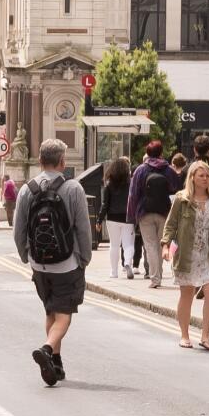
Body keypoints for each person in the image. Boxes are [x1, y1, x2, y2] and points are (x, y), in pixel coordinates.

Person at [13, 139, 92, 387]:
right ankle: (47, 349)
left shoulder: (28, 189)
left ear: (39, 160)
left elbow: (19, 229)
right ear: (62, 162)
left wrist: (26, 256)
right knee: (64, 315)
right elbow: (83, 227)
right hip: (67, 263)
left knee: (50, 310)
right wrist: (85, 257)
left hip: (39, 263)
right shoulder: (73, 188)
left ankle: (56, 362)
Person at [162, 161, 209, 350]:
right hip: (187, 254)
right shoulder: (181, 199)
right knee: (187, 294)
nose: (205, 179)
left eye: (208, 176)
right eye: (201, 175)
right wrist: (165, 246)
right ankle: (184, 335)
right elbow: (170, 224)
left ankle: (205, 335)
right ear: (192, 177)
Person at [127, 140, 181, 289]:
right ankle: (159, 274)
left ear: (148, 153)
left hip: (145, 212)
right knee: (161, 244)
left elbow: (133, 194)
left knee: (150, 245)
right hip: (164, 211)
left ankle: (155, 278)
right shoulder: (168, 170)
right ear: (161, 153)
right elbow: (176, 188)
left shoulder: (140, 170)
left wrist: (131, 216)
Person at [98, 157, 134, 280]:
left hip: (112, 218)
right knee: (128, 244)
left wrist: (99, 220)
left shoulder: (109, 185)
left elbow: (105, 204)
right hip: (127, 218)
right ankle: (128, 263)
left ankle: (114, 272)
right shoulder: (131, 184)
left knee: (114, 245)